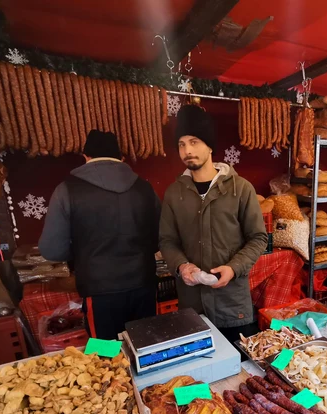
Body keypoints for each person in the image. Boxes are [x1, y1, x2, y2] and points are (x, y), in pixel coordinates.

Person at [159, 104, 267, 342]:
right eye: (182, 144)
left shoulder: (240, 188)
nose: (187, 150)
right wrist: (181, 266)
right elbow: (167, 240)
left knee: (240, 371)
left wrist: (234, 268)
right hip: (192, 304)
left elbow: (258, 238)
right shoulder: (174, 193)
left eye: (194, 141)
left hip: (232, 304)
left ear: (209, 146)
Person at [39, 130, 161, 340]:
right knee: (146, 344)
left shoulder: (66, 190)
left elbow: (52, 250)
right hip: (144, 285)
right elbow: (161, 238)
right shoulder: (144, 188)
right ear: (121, 159)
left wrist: (80, 251)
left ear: (86, 157)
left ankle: (110, 369)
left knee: (105, 354)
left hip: (99, 293)